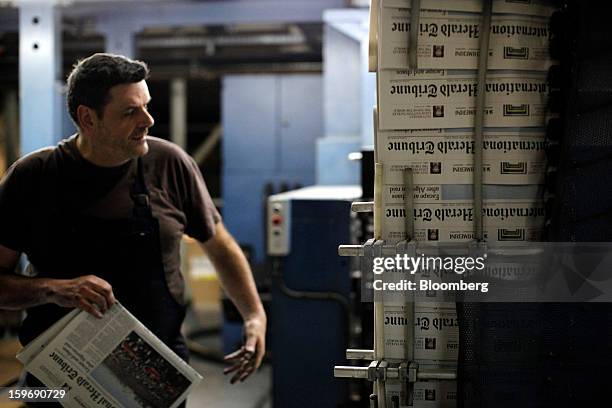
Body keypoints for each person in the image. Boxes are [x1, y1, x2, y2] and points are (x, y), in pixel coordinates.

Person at [0, 53, 266, 389]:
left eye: (146, 105)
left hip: (154, 378)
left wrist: (254, 315)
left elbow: (220, 245)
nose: (148, 120)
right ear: (87, 118)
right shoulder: (33, 178)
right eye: (130, 112)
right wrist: (53, 289)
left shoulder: (170, 164)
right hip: (51, 382)